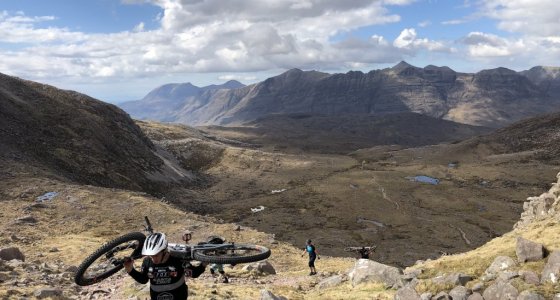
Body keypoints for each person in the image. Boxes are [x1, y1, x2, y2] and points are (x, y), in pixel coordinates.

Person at [124, 232, 206, 300]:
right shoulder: (147, 261)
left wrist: (203, 264)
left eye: (156, 255)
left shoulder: (177, 260)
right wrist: (130, 270)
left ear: (164, 251)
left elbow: (194, 273)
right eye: (151, 256)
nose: (153, 259)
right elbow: (143, 279)